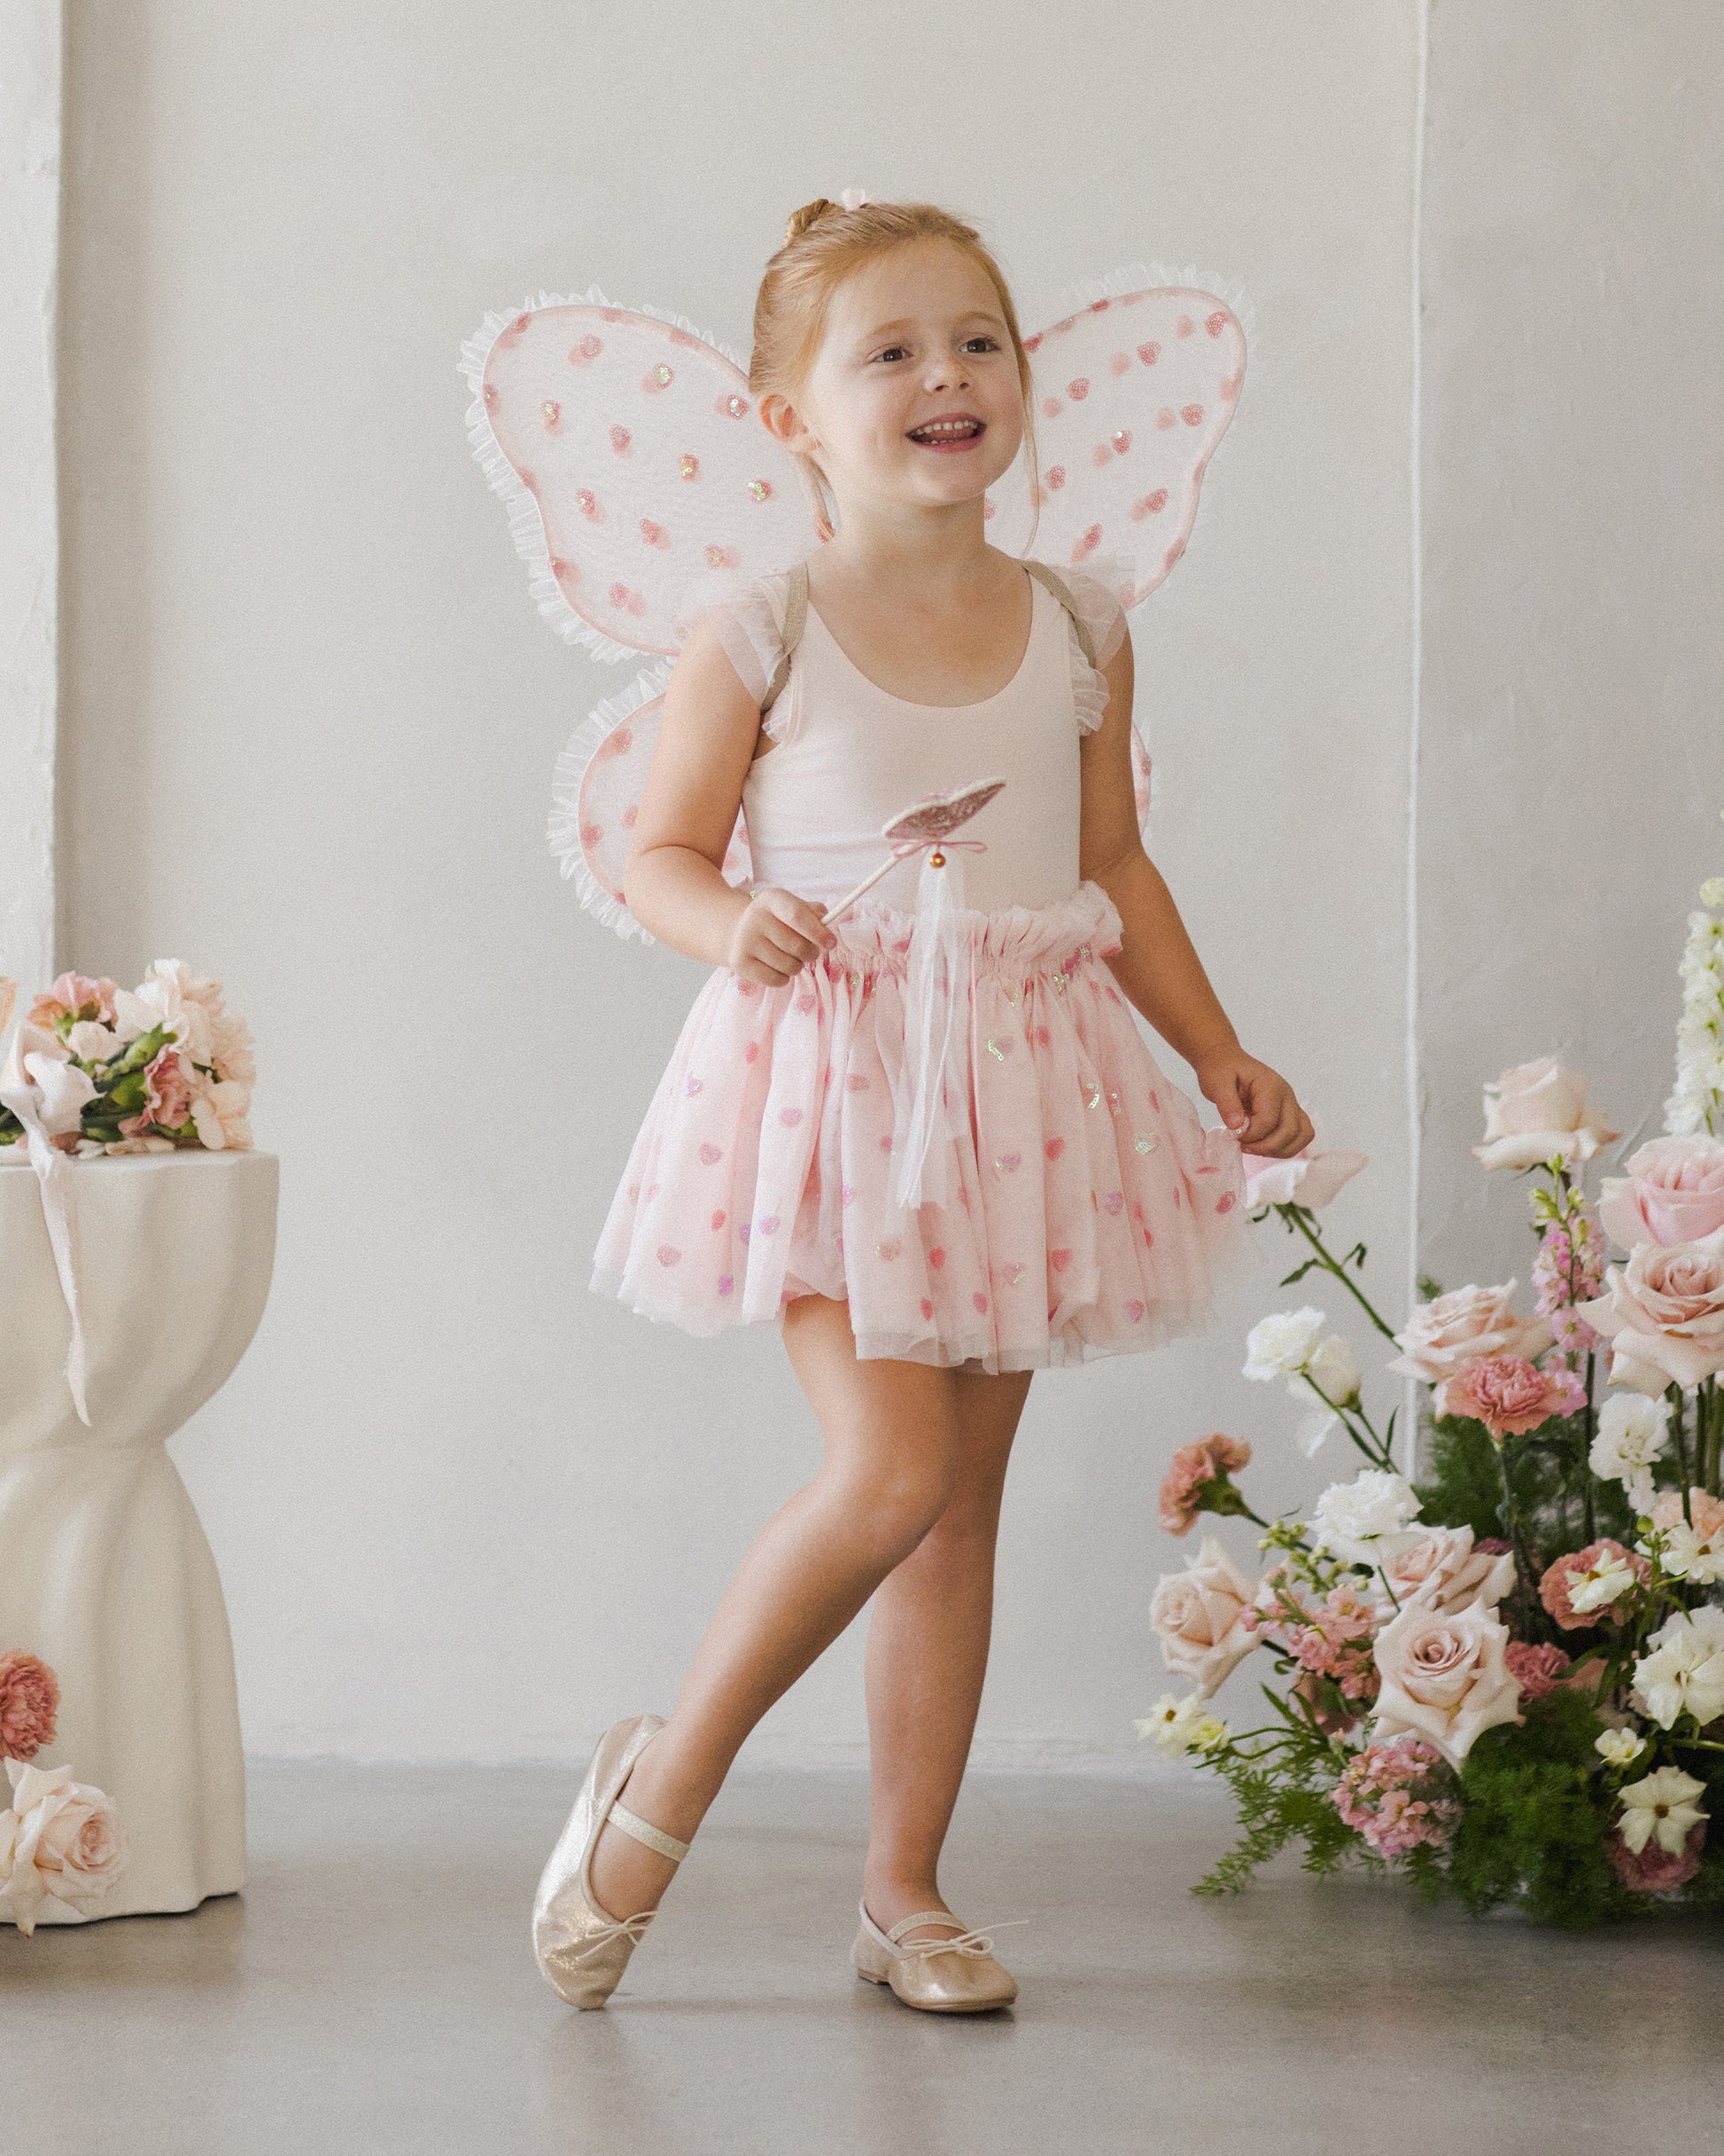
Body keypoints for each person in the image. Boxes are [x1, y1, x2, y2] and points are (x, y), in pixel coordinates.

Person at [532, 196, 1313, 2013]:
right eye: (886, 350)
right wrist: (734, 917)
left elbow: (1113, 855)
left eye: (977, 338)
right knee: (882, 1469)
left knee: (955, 1503)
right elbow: (653, 849)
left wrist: (1213, 1046)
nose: (945, 376)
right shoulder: (763, 621)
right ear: (788, 411)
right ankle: (655, 1796)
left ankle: (905, 1890)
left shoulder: (1082, 624)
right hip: (834, 1091)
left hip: (1024, 1096)